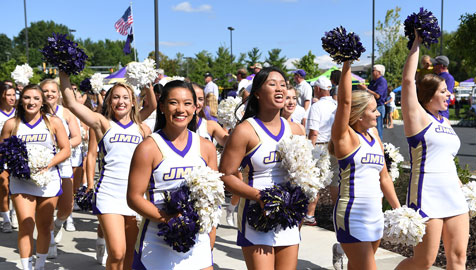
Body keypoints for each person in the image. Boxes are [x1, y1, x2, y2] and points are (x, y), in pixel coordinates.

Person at [58, 71, 156, 270]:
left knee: (131, 252)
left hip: (134, 196)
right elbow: (71, 104)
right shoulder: (103, 124)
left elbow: (153, 105)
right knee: (117, 252)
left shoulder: (142, 128)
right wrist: (64, 75)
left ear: (133, 102)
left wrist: (146, 80)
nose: (121, 101)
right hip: (109, 194)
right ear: (110, 101)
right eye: (116, 97)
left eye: (126, 97)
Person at [396, 33, 469, 270]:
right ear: (429, 95)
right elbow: (408, 82)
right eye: (444, 92)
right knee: (423, 261)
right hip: (427, 194)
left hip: (453, 194)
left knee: (458, 259)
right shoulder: (417, 117)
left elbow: (446, 157)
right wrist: (416, 43)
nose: (450, 95)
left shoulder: (444, 122)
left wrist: (459, 182)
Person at [220, 67, 305, 269]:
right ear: (257, 93)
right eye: (272, 84)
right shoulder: (245, 130)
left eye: (283, 84)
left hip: (288, 215)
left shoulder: (295, 130)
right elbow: (226, 175)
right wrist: (260, 197)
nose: (280, 89)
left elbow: (303, 173)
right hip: (256, 215)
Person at [127, 80, 217, 270]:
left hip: (196, 237)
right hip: (156, 240)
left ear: (195, 107)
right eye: (173, 102)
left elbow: (213, 199)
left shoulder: (206, 147)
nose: (180, 109)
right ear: (161, 107)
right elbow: (134, 197)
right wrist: (168, 219)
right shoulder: (148, 147)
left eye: (187, 103)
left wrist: (209, 235)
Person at [330, 61, 400, 270]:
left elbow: (384, 177)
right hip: (352, 213)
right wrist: (346, 64)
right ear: (359, 113)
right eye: (373, 111)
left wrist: (399, 210)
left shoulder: (375, 135)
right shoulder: (344, 137)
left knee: (357, 266)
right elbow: (344, 103)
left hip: (375, 213)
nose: (378, 113)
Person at [1, 84, 70, 270]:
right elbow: (2, 152)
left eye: (36, 98)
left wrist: (47, 164)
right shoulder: (11, 124)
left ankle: (39, 265)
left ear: (42, 102)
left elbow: (66, 149)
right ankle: (26, 267)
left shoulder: (53, 122)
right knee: (26, 224)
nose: (31, 102)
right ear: (20, 100)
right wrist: (14, 165)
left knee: (45, 225)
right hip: (21, 181)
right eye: (27, 98)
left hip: (48, 180)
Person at [38, 79, 82, 259]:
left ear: (58, 94)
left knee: (66, 206)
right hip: (42, 165)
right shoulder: (33, 112)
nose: (49, 94)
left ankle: (58, 224)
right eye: (45, 91)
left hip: (63, 163)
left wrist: (61, 147)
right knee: (47, 205)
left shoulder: (67, 113)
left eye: (52, 91)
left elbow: (77, 138)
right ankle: (50, 240)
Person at [304, 76, 336, 225]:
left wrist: (308, 151)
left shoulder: (316, 107)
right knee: (335, 181)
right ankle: (336, 214)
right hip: (335, 145)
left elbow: (314, 133)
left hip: (320, 146)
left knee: (314, 181)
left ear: (317, 89)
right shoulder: (336, 105)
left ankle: (310, 214)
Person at [0, 83, 17, 233]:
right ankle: (6, 219)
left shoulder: (19, 112)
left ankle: (15, 213)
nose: (12, 98)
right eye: (8, 95)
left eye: (13, 94)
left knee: (15, 186)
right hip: (2, 155)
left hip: (17, 156)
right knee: (4, 186)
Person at [358, 64, 388, 140]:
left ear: (379, 72)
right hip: (372, 107)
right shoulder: (373, 81)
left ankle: (379, 146)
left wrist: (365, 89)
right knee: (371, 128)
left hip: (378, 107)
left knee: (377, 129)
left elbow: (377, 96)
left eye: (373, 70)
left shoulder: (382, 81)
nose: (371, 72)